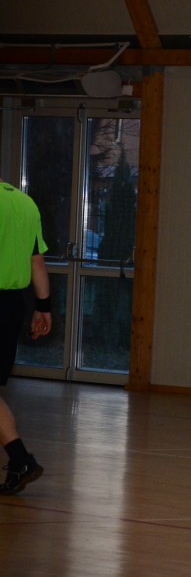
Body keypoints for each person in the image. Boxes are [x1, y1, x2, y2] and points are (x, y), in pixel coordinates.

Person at [0, 180, 51, 495]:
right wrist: (43, 307)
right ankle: (19, 460)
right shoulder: (24, 203)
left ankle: (21, 459)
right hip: (11, 306)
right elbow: (37, 261)